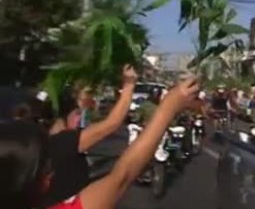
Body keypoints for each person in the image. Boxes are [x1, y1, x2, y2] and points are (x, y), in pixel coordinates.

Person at [0, 76, 199, 209]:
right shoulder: (64, 142)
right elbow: (122, 174)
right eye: (45, 170)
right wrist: (168, 107)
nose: (51, 174)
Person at [39, 65, 138, 207]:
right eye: (78, 113)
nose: (80, 118)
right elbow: (113, 122)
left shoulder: (35, 142)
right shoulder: (65, 142)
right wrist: (129, 85)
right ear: (71, 116)